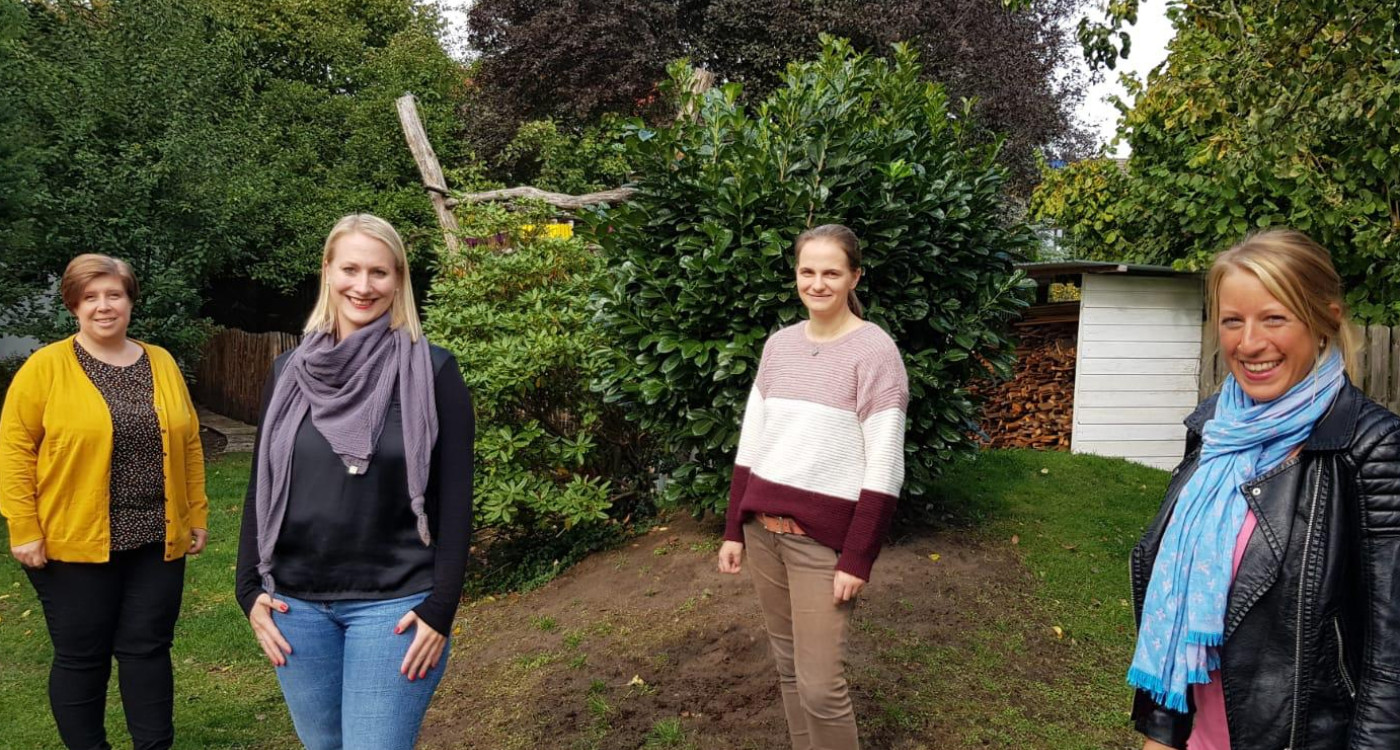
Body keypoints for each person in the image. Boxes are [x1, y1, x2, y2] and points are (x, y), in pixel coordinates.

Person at [1129, 229, 1400, 750]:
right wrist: (1162, 735)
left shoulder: (1370, 447)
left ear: (1326, 320)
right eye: (1233, 320)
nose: (1249, 343)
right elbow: (1178, 595)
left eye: (1274, 318)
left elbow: (1390, 659)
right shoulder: (1213, 429)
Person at [235, 214, 474, 750]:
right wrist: (247, 588)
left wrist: (441, 608)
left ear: (399, 280)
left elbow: (457, 502)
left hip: (395, 608)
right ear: (327, 271)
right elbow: (262, 484)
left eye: (379, 273)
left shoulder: (433, 373)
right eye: (350, 269)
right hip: (294, 607)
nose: (363, 286)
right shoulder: (287, 372)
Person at [0, 254, 208, 750]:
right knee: (82, 656)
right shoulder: (45, 367)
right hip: (71, 542)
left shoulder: (160, 361)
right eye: (90, 297)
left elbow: (190, 442)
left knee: (149, 650)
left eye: (114, 294)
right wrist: (23, 527)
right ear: (74, 305)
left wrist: (195, 513)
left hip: (154, 538)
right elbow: (14, 450)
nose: (103, 306)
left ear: (130, 300)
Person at [717, 224, 908, 750]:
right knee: (788, 669)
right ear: (796, 275)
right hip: (763, 535)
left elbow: (885, 463)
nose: (817, 283)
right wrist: (734, 528)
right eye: (807, 271)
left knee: (821, 687)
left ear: (854, 278)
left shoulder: (875, 352)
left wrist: (857, 558)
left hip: (820, 547)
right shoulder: (779, 347)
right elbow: (751, 443)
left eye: (831, 272)